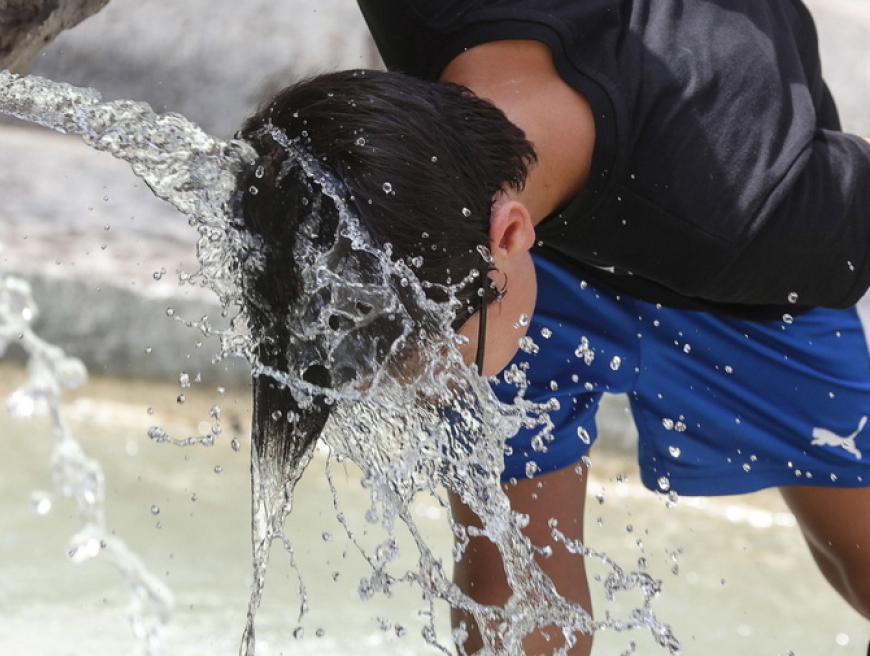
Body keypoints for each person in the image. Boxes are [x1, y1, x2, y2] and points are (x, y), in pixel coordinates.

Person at [235, 0, 870, 654]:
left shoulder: (773, 213)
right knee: (518, 607)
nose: (414, 406)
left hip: (738, 291)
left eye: (432, 382)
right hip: (495, 245)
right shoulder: (428, 238)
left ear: (509, 234)